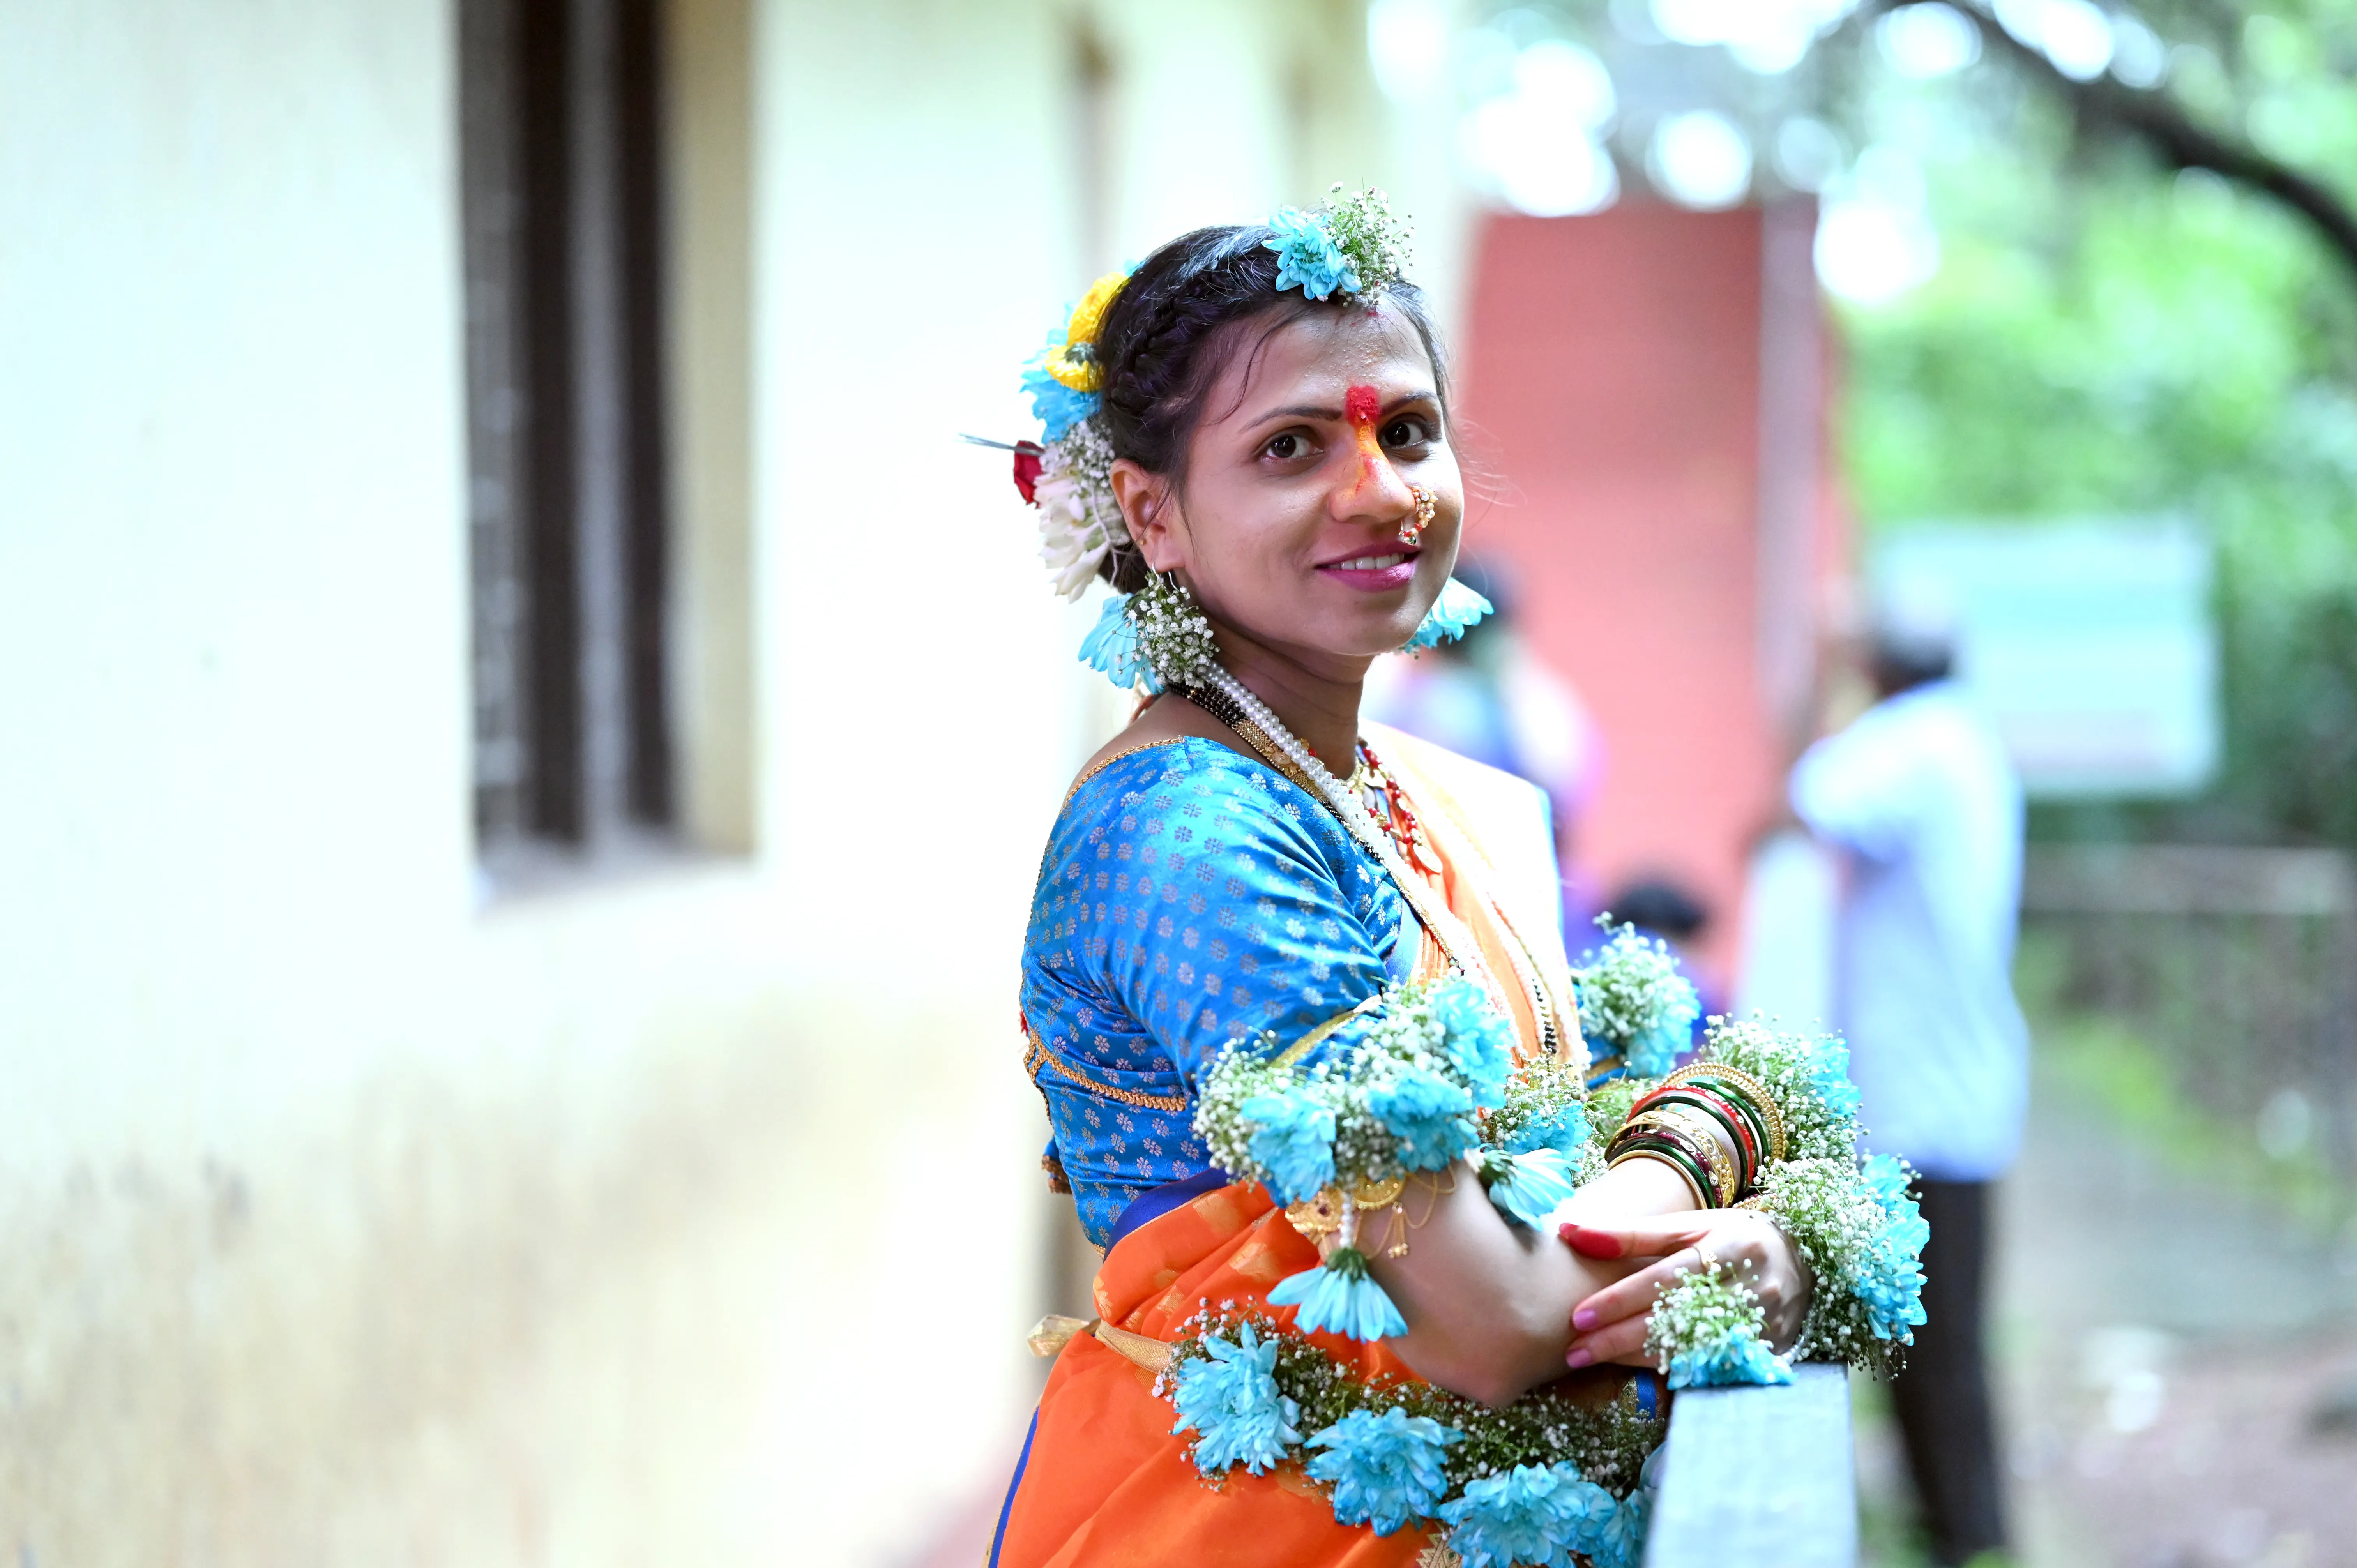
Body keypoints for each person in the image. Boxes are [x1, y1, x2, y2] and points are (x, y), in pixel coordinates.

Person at [986, 195, 1921, 1568]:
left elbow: (1554, 1141)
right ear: (1151, 512)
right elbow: (1496, 1322)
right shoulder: (1189, 831)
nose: (1380, 493)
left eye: (1405, 431)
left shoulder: (1413, 796)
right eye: (1290, 446)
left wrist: (1745, 1228)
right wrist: (1716, 1169)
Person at [1790, 615, 2028, 1568]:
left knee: (1935, 1353)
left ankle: (1969, 1540)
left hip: (1922, 1101)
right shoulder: (1964, 738)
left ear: (1878, 668)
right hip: (1952, 1091)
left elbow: (1806, 799)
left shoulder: (1910, 742)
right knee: (1940, 1346)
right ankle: (1962, 1536)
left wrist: (1819, 686)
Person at [1363, 556, 1606, 934]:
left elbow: (1561, 787)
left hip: (1488, 876)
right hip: (1458, 877)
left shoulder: (1526, 699)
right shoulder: (1534, 698)